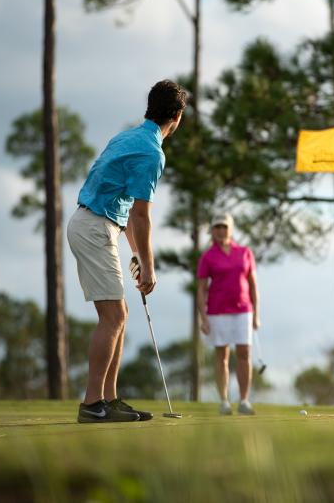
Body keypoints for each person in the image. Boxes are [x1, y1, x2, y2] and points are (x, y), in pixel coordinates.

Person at [67, 80, 187, 423]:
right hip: (94, 227)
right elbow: (140, 213)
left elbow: (128, 210)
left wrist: (136, 254)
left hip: (96, 224)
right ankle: (92, 405)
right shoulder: (152, 152)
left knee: (119, 315)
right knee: (114, 316)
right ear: (177, 117)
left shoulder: (127, 137)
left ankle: (109, 399)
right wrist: (148, 267)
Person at [196, 213, 261, 415]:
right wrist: (203, 317)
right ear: (212, 231)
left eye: (224, 227)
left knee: (244, 353)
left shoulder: (245, 252)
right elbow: (201, 289)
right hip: (217, 311)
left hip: (243, 310)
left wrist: (256, 314)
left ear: (231, 229)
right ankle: (224, 401)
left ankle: (243, 400)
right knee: (221, 355)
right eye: (217, 227)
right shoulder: (208, 256)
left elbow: (253, 285)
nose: (221, 230)